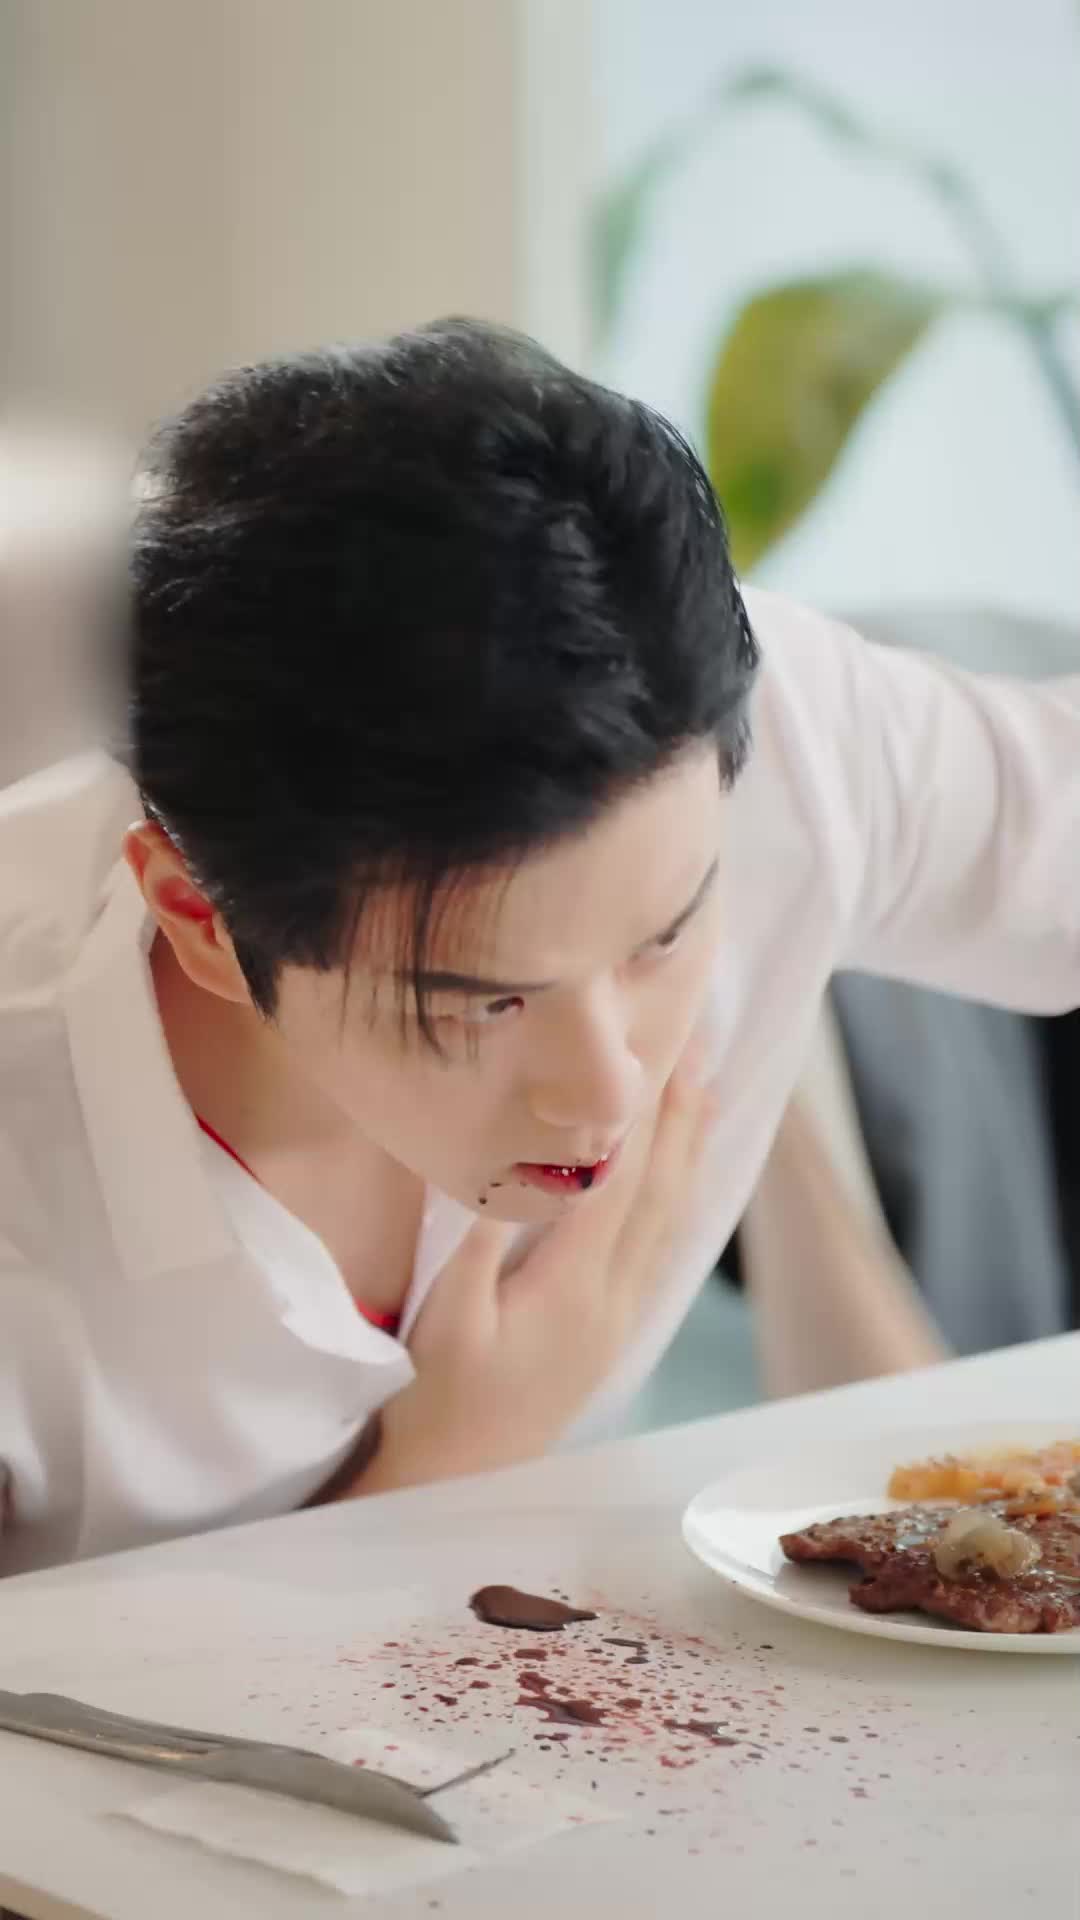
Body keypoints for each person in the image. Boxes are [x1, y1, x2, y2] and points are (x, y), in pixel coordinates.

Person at [1, 319, 1077, 1575]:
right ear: (201, 921)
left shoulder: (762, 732)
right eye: (480, 1004)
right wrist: (438, 1475)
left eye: (666, 936)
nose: (607, 1089)